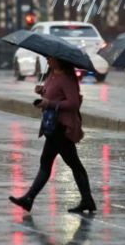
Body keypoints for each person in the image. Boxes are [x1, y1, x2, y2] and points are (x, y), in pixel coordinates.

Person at [9, 56, 95, 214]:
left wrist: (50, 103)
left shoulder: (67, 79)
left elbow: (74, 102)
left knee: (56, 163)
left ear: (59, 60)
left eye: (50, 58)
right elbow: (52, 96)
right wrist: (42, 92)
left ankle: (29, 199)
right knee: (60, 163)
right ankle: (87, 200)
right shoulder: (52, 74)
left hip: (61, 127)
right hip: (52, 126)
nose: (47, 60)